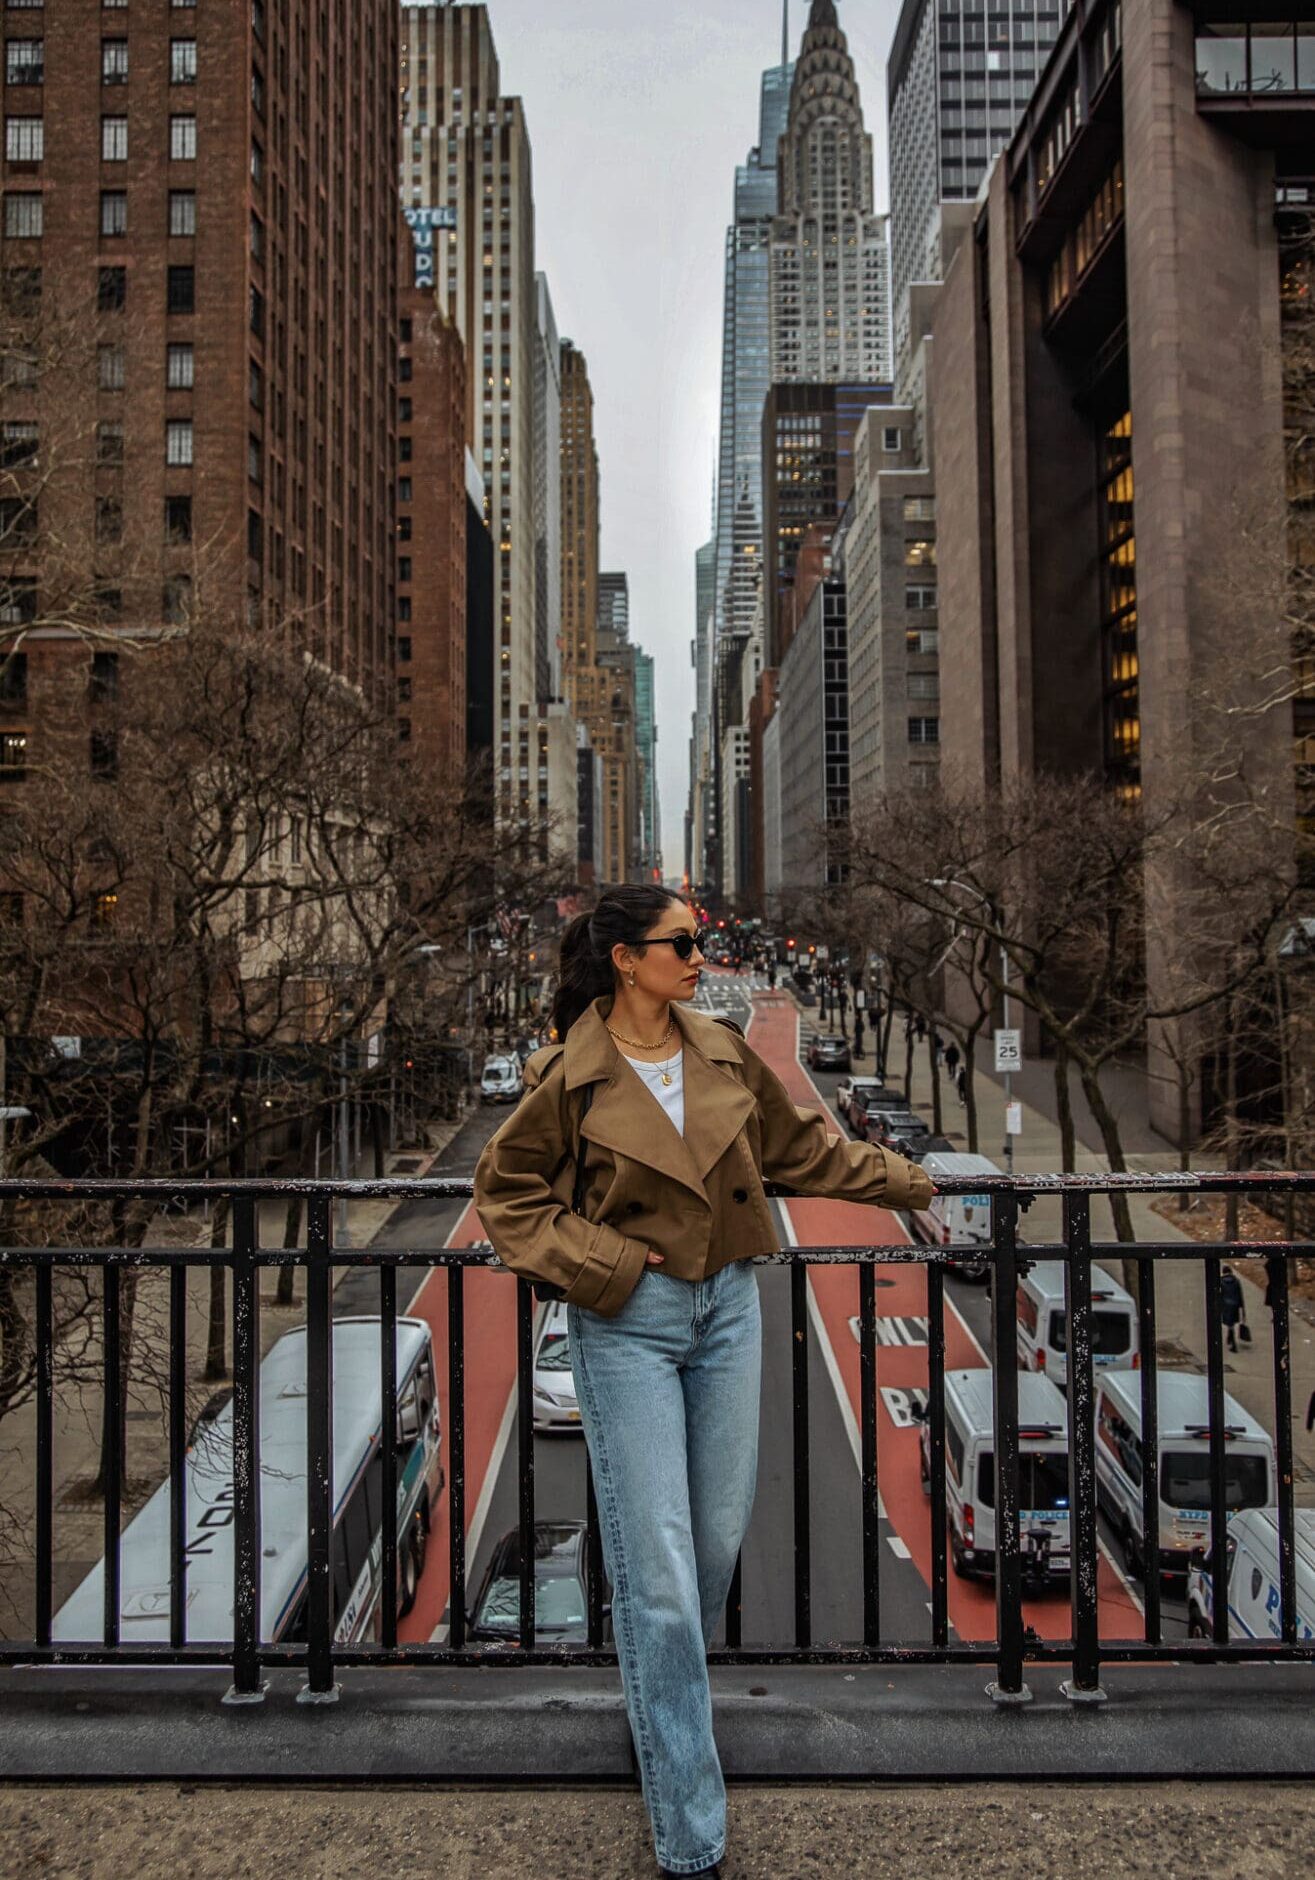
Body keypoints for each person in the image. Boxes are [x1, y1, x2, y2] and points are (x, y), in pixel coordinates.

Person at [474, 886, 934, 1880]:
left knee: (710, 1545)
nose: (699, 952)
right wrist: (610, 1269)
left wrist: (912, 1177)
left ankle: (649, 1652)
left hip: (730, 1308)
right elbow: (507, 1196)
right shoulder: (568, 1075)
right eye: (681, 942)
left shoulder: (721, 1046)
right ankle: (691, 1834)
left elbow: (799, 1150)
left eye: (699, 940)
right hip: (626, 1322)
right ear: (627, 960)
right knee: (668, 1582)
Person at [1220, 1263, 1246, 1353]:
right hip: (1235, 1305)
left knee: (1229, 1324)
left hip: (1226, 1306)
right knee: (1232, 1324)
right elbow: (1240, 1295)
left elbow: (1220, 1295)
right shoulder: (1237, 1281)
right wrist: (1243, 1309)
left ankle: (1232, 1343)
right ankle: (1230, 1337)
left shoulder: (1221, 1282)